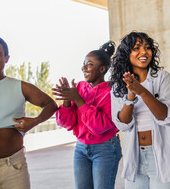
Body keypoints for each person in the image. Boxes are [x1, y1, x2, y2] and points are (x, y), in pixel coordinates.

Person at [0, 35, 58, 189]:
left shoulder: (21, 87)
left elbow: (50, 104)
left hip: (14, 168)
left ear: (6, 58)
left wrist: (35, 121)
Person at [110, 31, 170, 188]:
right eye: (137, 48)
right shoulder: (118, 86)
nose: (144, 52)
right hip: (135, 156)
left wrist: (142, 91)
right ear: (126, 53)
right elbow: (123, 124)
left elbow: (166, 116)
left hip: (164, 154)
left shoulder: (163, 78)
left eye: (147, 47)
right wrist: (130, 97)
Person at [52, 41, 121, 189]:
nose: (83, 67)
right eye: (83, 63)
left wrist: (77, 99)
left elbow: (99, 127)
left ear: (102, 69)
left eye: (89, 64)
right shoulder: (79, 88)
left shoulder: (111, 91)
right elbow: (66, 123)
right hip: (81, 148)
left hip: (105, 148)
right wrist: (66, 100)